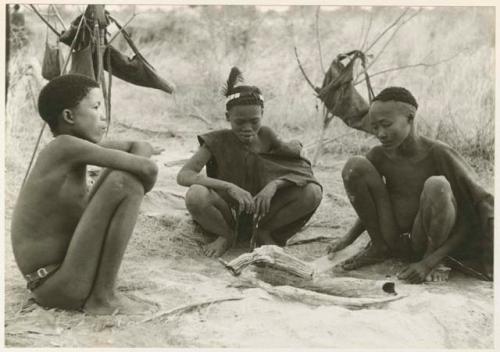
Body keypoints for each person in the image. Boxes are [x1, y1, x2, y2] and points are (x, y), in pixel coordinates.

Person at [11, 74, 159, 315]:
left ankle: (100, 293)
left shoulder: (73, 147)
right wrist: (138, 185)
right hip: (56, 285)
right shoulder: (64, 147)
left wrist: (139, 171)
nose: (104, 116)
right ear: (69, 116)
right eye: (96, 107)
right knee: (125, 182)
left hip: (64, 275)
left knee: (125, 179)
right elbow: (148, 168)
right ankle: (102, 297)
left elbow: (137, 146)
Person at [327, 87, 493, 284]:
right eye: (375, 127)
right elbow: (370, 206)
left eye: (386, 125)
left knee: (437, 185)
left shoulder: (439, 153)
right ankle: (379, 247)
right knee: (355, 166)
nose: (381, 133)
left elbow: (472, 213)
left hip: (425, 240)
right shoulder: (379, 156)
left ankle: (430, 259)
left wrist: (429, 262)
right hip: (393, 237)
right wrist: (348, 239)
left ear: (410, 118)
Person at [177, 67, 322, 257]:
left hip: (262, 211)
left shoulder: (267, 136)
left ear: (262, 113)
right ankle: (226, 235)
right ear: (228, 118)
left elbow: (299, 168)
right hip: (227, 212)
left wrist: (274, 186)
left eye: (254, 121)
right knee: (195, 194)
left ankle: (264, 232)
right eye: (239, 122)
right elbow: (184, 175)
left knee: (312, 192)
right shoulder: (216, 141)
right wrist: (229, 187)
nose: (247, 128)